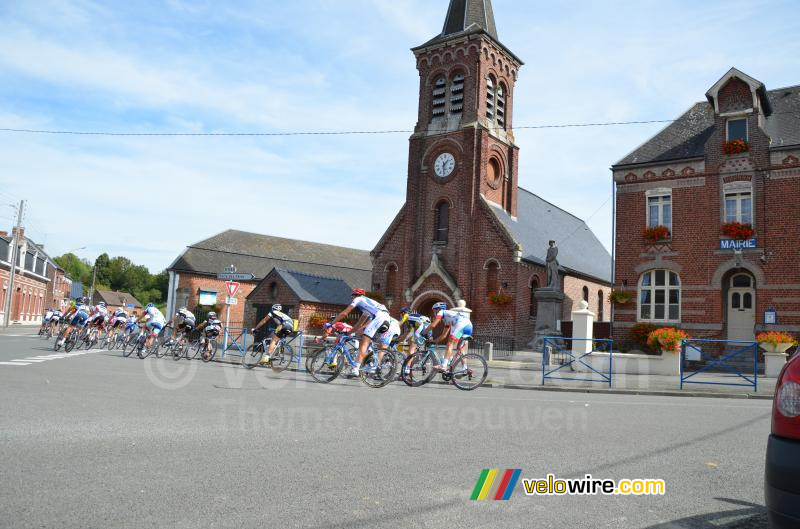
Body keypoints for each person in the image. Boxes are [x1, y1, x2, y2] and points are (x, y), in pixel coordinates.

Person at [329, 288, 391, 377]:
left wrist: (331, 323)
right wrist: (349, 333)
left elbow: (345, 313)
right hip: (386, 319)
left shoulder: (359, 299)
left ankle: (356, 369)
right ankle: (371, 360)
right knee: (365, 338)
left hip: (379, 318)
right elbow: (359, 324)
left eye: (352, 296)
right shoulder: (368, 305)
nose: (352, 298)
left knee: (363, 343)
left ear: (354, 295)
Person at [424, 301, 473, 371]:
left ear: (438, 309)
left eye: (434, 310)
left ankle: (444, 365)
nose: (434, 313)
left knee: (450, 343)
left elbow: (433, 325)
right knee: (460, 347)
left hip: (462, 325)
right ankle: (465, 368)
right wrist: (434, 342)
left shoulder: (442, 312)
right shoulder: (448, 318)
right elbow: (443, 335)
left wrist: (423, 332)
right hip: (468, 326)